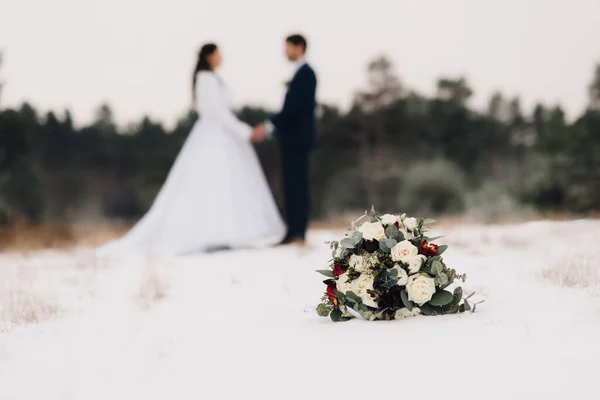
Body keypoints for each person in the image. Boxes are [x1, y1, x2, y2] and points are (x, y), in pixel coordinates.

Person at [97, 44, 285, 255]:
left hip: (223, 136)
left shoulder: (213, 78)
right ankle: (212, 232)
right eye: (218, 54)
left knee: (224, 185)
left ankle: (226, 231)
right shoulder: (205, 79)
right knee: (211, 184)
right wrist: (245, 131)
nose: (221, 57)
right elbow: (217, 112)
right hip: (215, 137)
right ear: (209, 56)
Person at [251, 34, 317, 247]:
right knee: (291, 186)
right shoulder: (299, 73)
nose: (285, 52)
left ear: (298, 47)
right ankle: (293, 231)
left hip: (298, 139)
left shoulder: (306, 73)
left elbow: (293, 109)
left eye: (287, 47)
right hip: (291, 139)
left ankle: (298, 232)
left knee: (298, 186)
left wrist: (269, 126)